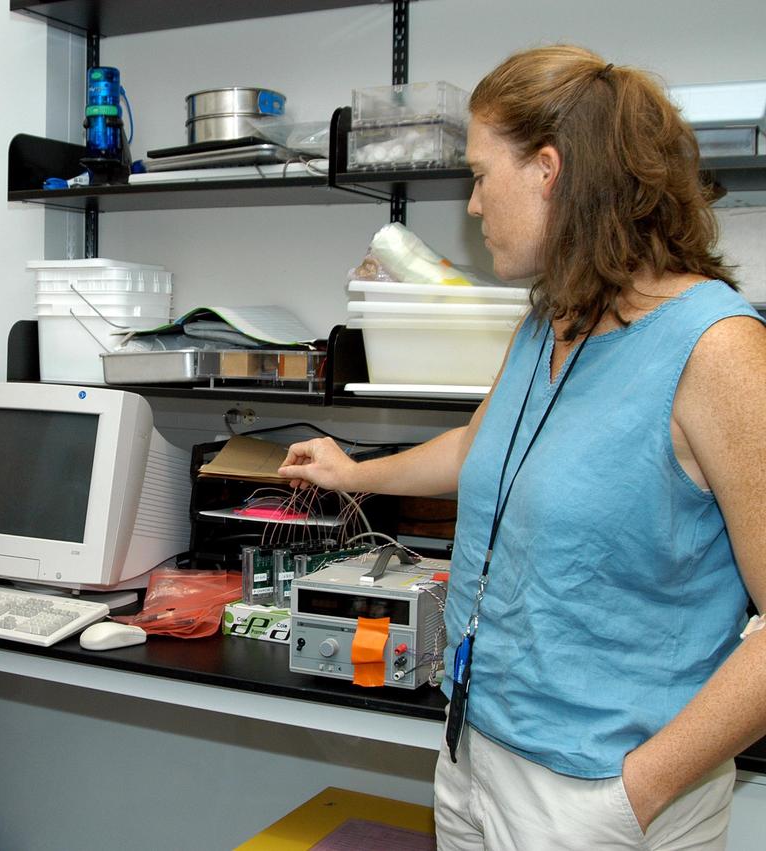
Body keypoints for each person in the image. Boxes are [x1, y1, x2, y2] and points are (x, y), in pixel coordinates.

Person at [279, 46, 766, 850]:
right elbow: (484, 444)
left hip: (597, 791)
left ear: (549, 171)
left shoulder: (718, 350)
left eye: (478, 174)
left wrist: (633, 795)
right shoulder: (551, 320)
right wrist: (353, 472)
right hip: (476, 751)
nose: (471, 205)